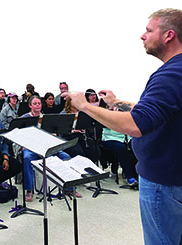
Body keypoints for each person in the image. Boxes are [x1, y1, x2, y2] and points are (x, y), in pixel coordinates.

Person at [65, 10, 182, 244]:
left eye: (149, 30)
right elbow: (161, 110)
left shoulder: (170, 74)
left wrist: (84, 106)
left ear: (169, 35)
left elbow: (137, 124)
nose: (142, 35)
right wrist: (116, 102)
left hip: (164, 182)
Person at [20, 96, 77, 201]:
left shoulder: (46, 118)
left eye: (39, 103)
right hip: (31, 147)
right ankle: (29, 190)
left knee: (66, 156)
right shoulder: (25, 118)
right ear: (30, 105)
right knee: (27, 158)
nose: (37, 105)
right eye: (35, 103)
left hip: (47, 146)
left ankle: (69, 188)